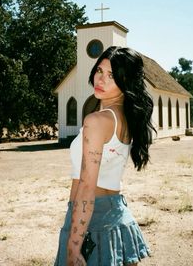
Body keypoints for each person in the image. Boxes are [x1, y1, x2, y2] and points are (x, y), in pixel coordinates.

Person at [54, 46, 156, 266]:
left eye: (112, 75)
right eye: (99, 70)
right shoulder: (125, 117)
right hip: (118, 216)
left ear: (126, 80)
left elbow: (87, 187)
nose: (101, 79)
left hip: (90, 223)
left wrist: (73, 246)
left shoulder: (97, 121)